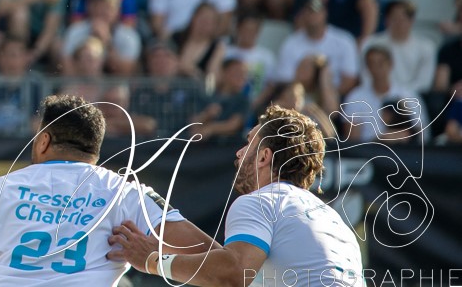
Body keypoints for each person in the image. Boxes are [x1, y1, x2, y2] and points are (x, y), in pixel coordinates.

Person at [0, 94, 202, 285]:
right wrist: (153, 261)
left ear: (44, 141)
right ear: (95, 151)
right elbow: (216, 262)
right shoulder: (126, 193)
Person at [108, 105, 364, 286]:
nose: (239, 153)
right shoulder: (332, 218)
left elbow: (234, 274)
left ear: (264, 157)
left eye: (249, 143)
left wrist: (153, 262)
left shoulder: (261, 201)